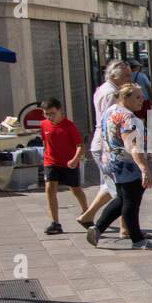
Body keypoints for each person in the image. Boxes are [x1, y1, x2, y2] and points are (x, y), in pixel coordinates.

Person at [88, 85, 152, 250]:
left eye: (142, 96)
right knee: (131, 203)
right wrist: (144, 169)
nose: (142, 100)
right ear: (125, 98)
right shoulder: (127, 118)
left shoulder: (110, 111)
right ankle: (138, 240)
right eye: (137, 97)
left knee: (122, 199)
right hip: (127, 165)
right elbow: (132, 146)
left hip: (113, 161)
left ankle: (97, 229)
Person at [77, 60, 130, 235]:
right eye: (126, 76)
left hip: (102, 143)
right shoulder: (112, 93)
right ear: (115, 76)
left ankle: (92, 217)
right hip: (107, 144)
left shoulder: (102, 89)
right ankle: (121, 227)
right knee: (122, 186)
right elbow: (111, 121)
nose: (129, 79)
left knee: (112, 185)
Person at [37, 98, 89, 235]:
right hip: (51, 162)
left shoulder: (69, 126)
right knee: (50, 188)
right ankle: (55, 222)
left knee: (75, 189)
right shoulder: (43, 125)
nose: (49, 117)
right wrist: (44, 158)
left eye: (52, 113)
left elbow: (80, 146)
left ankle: (87, 213)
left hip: (69, 162)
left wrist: (75, 159)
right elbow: (45, 143)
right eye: (46, 114)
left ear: (60, 111)